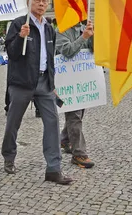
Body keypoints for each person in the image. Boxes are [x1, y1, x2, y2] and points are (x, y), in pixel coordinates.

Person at [2, 0, 73, 185]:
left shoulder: (49, 28)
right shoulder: (19, 24)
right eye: (37, 0)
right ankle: (9, 156)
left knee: (52, 123)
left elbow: (50, 59)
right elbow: (12, 54)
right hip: (22, 83)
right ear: (29, 2)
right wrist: (20, 37)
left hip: (44, 84)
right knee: (13, 123)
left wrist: (52, 83)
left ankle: (53, 169)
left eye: (44, 0)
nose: (41, 4)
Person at [56, 21, 95, 169]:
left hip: (82, 81)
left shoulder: (84, 28)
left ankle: (65, 139)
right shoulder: (62, 30)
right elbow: (66, 50)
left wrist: (93, 36)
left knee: (79, 113)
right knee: (75, 116)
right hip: (67, 82)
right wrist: (84, 37)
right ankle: (79, 154)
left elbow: (95, 49)